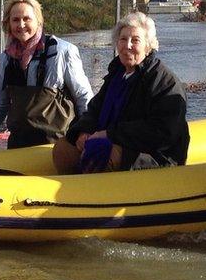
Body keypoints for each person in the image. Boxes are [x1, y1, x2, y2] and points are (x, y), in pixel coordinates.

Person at [52, 12, 189, 174]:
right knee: (62, 149)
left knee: (104, 153)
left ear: (148, 45)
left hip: (153, 155)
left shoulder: (164, 81)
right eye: (123, 39)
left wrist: (110, 135)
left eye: (135, 40)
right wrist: (83, 131)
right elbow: (94, 109)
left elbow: (162, 132)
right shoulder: (116, 74)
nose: (128, 45)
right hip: (112, 141)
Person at [0, 0, 94, 150]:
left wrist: (86, 132)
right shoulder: (7, 58)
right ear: (8, 23)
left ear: (38, 21)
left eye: (26, 19)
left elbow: (83, 96)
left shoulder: (63, 51)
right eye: (15, 20)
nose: (21, 25)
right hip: (19, 145)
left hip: (58, 146)